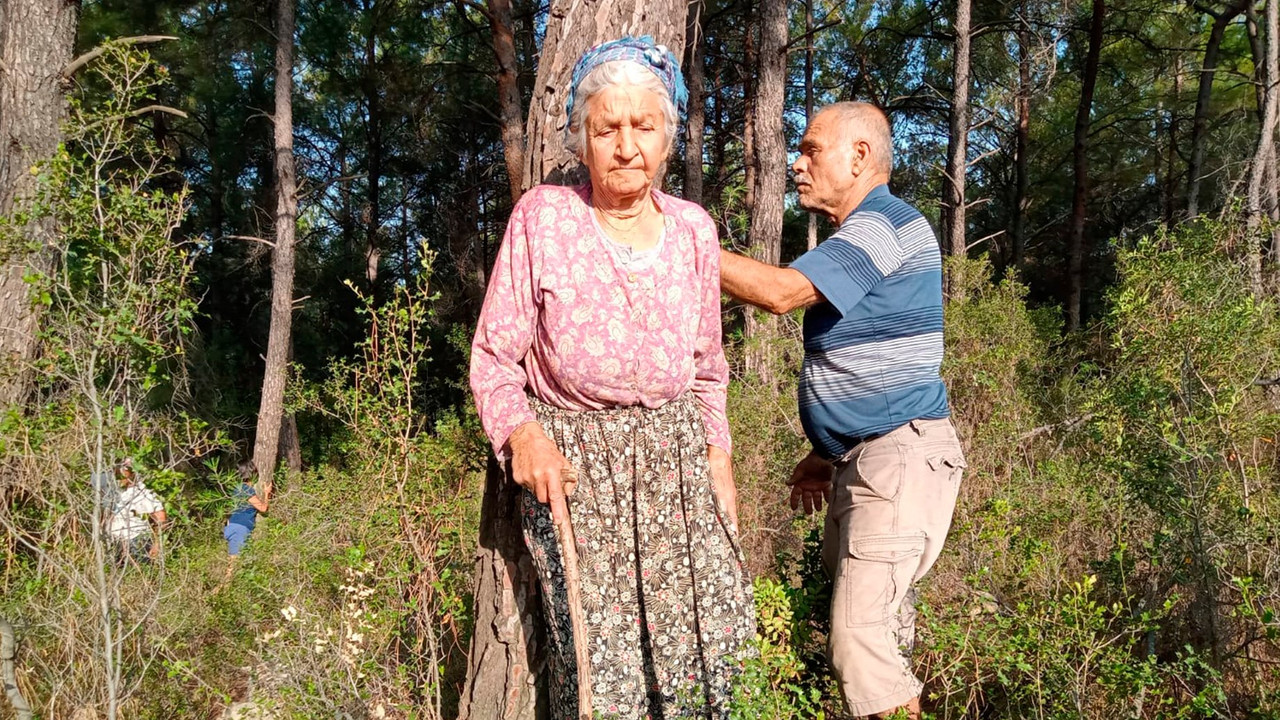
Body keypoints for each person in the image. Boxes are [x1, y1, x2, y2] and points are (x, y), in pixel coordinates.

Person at [469, 35, 755, 720]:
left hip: (677, 470)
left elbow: (708, 370)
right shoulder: (544, 217)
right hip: (577, 473)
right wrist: (524, 437)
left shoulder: (694, 230)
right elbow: (493, 358)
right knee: (604, 674)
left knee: (713, 648)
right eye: (608, 128)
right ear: (584, 139)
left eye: (643, 126)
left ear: (668, 137)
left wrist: (720, 464)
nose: (626, 145)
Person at [718, 102, 966, 720]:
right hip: (873, 458)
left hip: (898, 458)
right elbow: (873, 372)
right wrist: (822, 455)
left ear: (859, 156)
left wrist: (674, 239)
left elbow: (778, 294)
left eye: (810, 150)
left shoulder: (882, 225)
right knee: (879, 632)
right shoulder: (864, 235)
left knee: (860, 644)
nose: (796, 166)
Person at [106, 459, 167, 564]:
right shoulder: (120, 494)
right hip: (117, 544)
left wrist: (157, 545)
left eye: (123, 471)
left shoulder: (145, 495)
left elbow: (161, 520)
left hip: (136, 543)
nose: (119, 476)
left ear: (133, 473)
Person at [223, 460, 269, 573]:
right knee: (233, 567)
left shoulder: (237, 489)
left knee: (238, 564)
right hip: (240, 529)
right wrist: (267, 493)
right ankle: (222, 589)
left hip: (233, 526)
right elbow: (263, 508)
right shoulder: (246, 490)